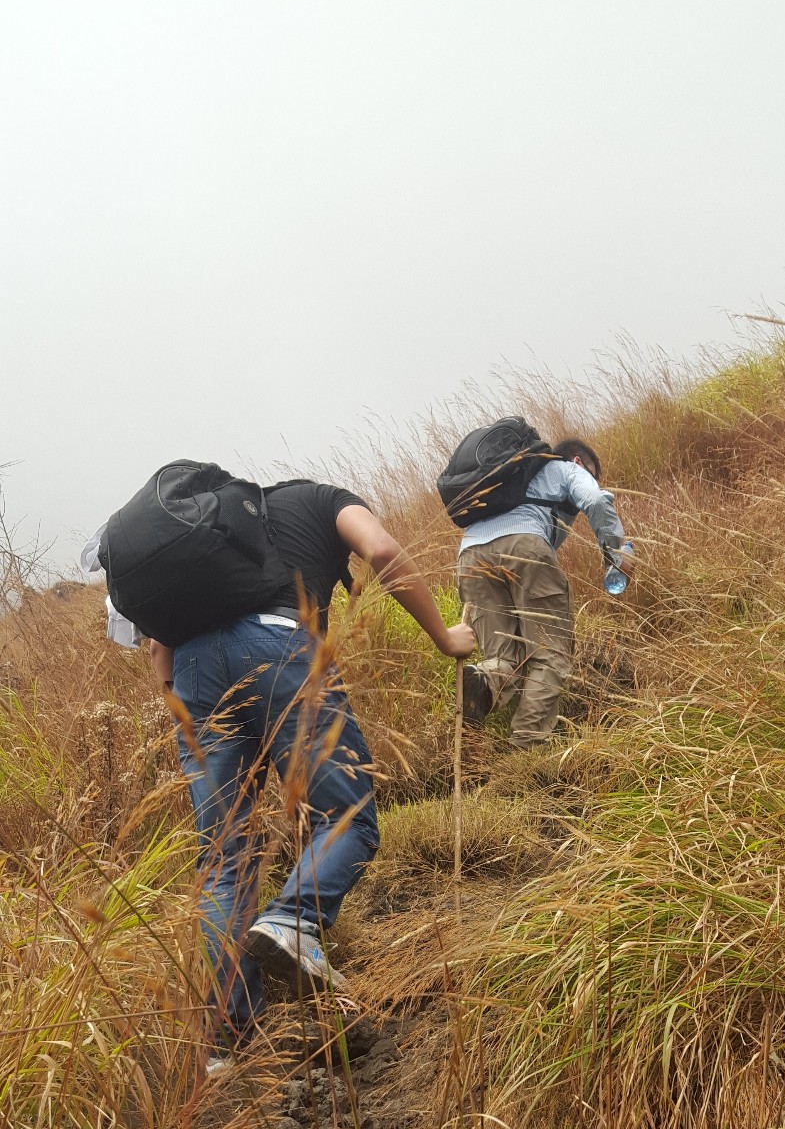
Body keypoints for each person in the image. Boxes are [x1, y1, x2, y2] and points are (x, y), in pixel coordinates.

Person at [137, 479, 474, 1061]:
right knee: (348, 817)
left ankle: (225, 1041)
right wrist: (446, 637)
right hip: (278, 645)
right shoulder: (323, 499)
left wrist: (186, 704)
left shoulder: (206, 535)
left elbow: (159, 653)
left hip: (194, 671)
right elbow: (385, 552)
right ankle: (292, 920)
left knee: (223, 859)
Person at [455, 437, 632, 747]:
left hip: (470, 557)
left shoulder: (511, 479)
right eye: (592, 473)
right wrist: (616, 555)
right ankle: (527, 745)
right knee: (551, 655)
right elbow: (596, 500)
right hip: (524, 546)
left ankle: (482, 681)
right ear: (578, 462)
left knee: (504, 656)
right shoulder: (564, 468)